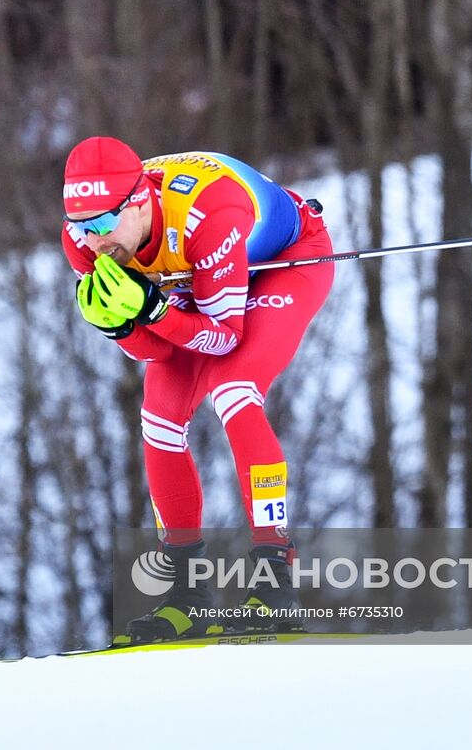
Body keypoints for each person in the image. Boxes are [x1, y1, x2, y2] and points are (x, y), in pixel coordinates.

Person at [60, 135, 334, 642]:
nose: (94, 242)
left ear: (139, 202)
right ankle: (188, 594)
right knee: (159, 417)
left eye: (101, 224)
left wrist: (153, 309)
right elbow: (159, 353)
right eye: (81, 226)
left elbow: (224, 337)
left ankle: (276, 582)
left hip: (283, 263)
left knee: (233, 388)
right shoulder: (84, 241)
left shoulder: (207, 211)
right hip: (194, 284)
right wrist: (122, 326)